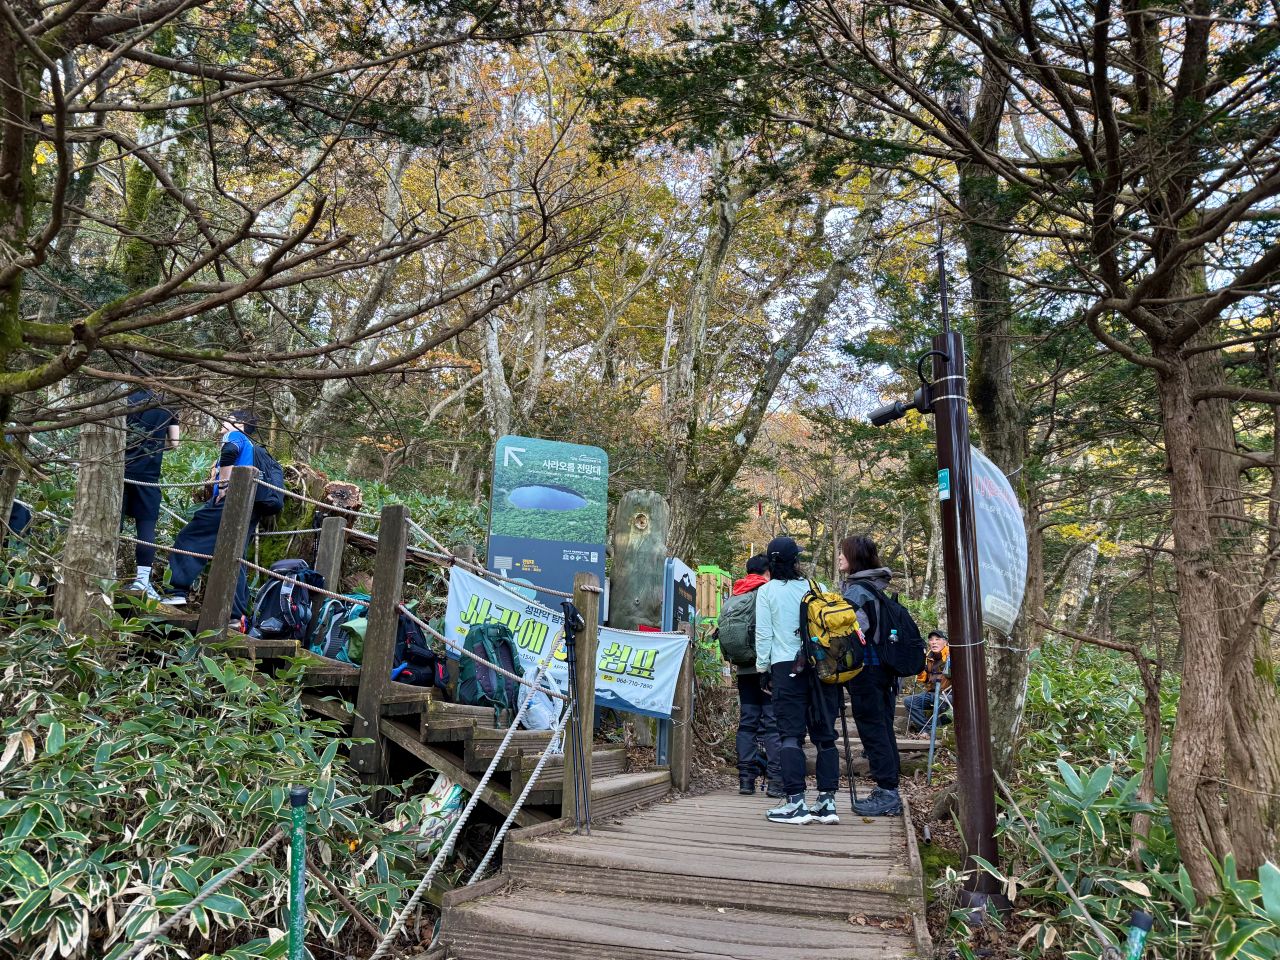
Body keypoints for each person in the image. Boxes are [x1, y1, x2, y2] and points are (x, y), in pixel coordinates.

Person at [755, 536, 841, 825]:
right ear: (795, 561)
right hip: (821, 667)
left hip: (785, 667)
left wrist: (762, 669)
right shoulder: (817, 588)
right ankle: (827, 803)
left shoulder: (767, 592)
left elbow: (764, 634)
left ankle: (796, 803)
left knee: (790, 735)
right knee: (825, 735)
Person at [163, 411, 259, 622]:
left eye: (227, 419)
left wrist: (223, 486)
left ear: (240, 423)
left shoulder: (235, 435)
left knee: (189, 538)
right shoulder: (251, 445)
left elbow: (229, 452)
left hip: (229, 501)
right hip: (247, 505)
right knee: (234, 556)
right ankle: (235, 616)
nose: (222, 423)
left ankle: (176, 591)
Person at [839, 534, 904, 817]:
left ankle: (888, 792)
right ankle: (889, 787)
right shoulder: (875, 586)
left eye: (843, 553)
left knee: (872, 728)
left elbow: (855, 632)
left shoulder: (857, 592)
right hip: (884, 668)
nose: (839, 557)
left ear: (854, 557)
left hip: (867, 668)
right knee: (882, 726)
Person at [718, 554, 783, 797]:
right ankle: (775, 780)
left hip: (744, 668)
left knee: (748, 722)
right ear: (768, 571)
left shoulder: (735, 596)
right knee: (772, 722)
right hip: (767, 669)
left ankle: (746, 779)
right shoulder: (767, 593)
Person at [121, 389, 180, 599]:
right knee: (146, 528)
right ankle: (142, 581)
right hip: (148, 475)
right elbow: (175, 442)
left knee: (113, 525)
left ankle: (106, 575)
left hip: (120, 470)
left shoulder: (122, 398)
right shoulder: (167, 402)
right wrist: (154, 445)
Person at [904, 630, 951, 732]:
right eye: (931, 640)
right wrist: (919, 668)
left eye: (937, 639)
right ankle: (927, 729)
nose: (934, 642)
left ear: (945, 642)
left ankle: (938, 731)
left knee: (941, 700)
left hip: (948, 694)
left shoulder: (951, 656)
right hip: (931, 693)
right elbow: (924, 679)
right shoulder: (928, 657)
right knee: (909, 701)